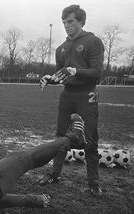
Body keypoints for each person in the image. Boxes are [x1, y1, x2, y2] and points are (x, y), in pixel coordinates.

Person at [38, 5, 104, 196]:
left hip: (87, 96)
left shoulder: (93, 42)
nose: (66, 25)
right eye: (64, 22)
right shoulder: (61, 48)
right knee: (60, 137)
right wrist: (49, 79)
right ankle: (54, 174)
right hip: (67, 96)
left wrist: (75, 71)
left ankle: (93, 182)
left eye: (70, 21)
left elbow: (97, 73)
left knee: (90, 139)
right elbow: (61, 76)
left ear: (81, 21)